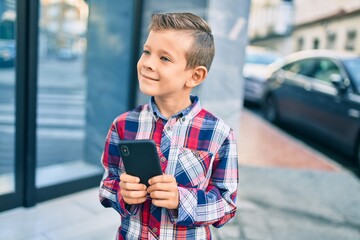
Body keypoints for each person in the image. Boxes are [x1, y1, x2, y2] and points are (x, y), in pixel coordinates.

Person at [99, 12, 239, 240]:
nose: (147, 63)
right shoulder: (123, 125)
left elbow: (226, 205)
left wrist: (181, 200)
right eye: (147, 52)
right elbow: (107, 185)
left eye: (164, 58)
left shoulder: (219, 134)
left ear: (195, 76)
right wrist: (121, 193)